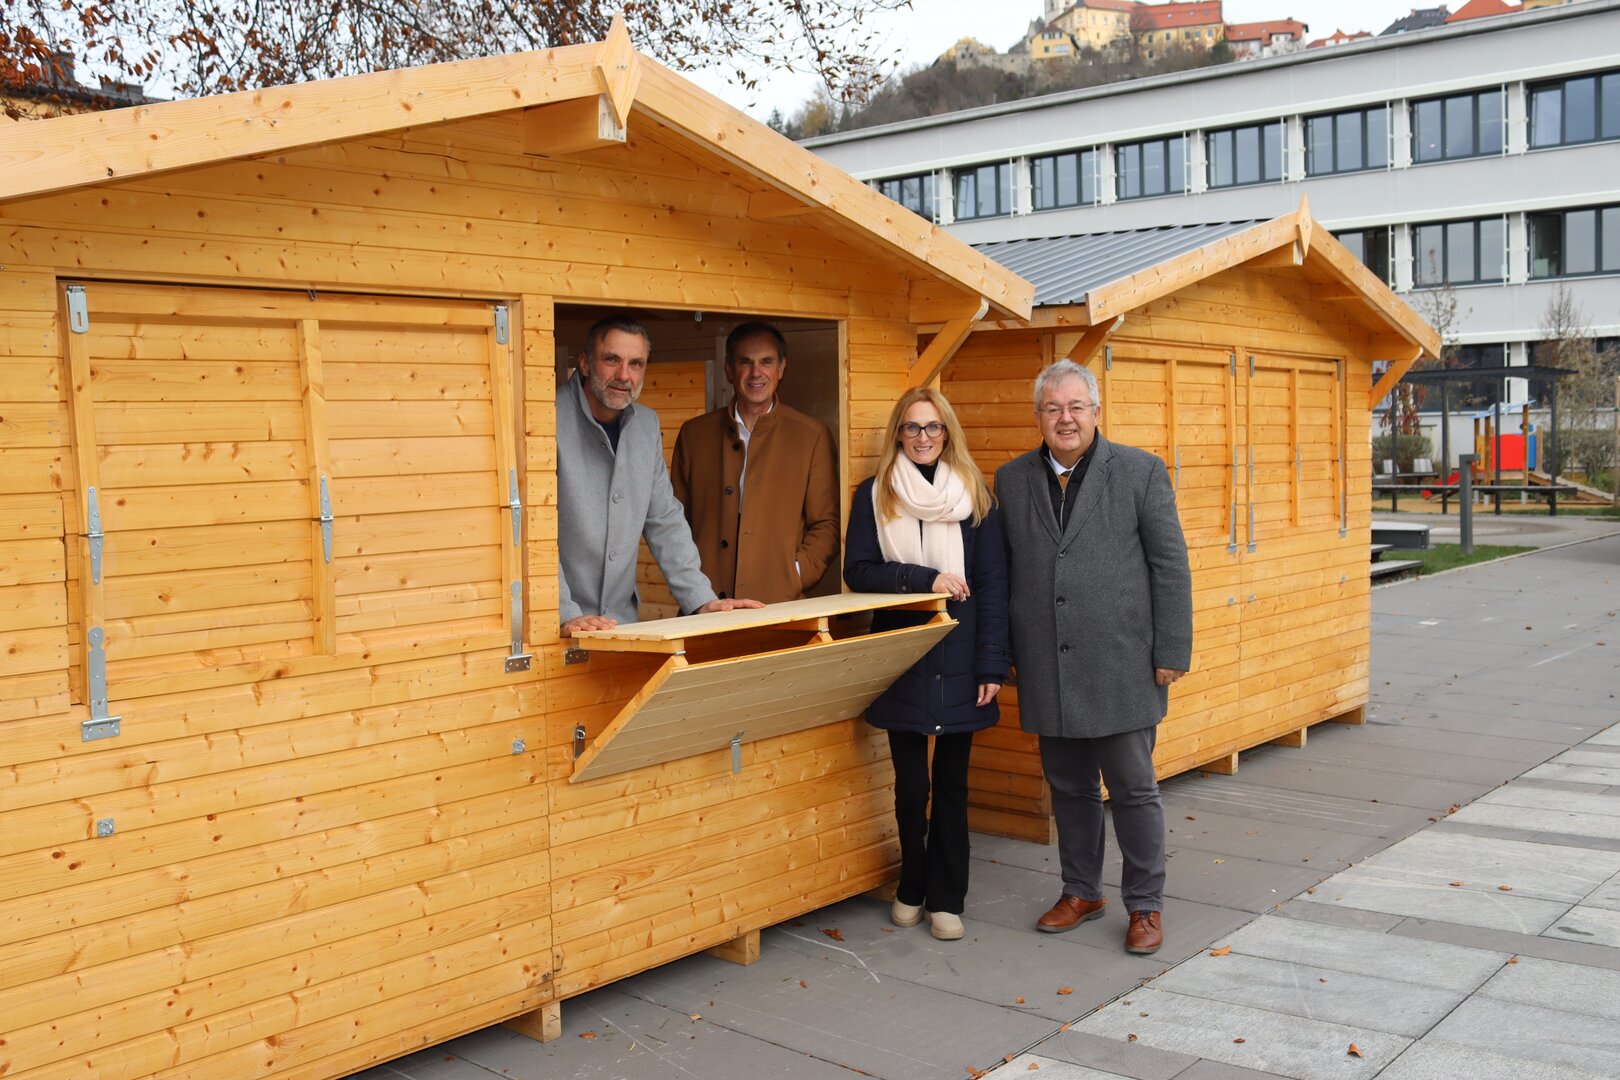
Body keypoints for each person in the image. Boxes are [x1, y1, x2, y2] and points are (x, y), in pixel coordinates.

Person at [994, 359, 1192, 956]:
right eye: (1053, 408)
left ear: (1097, 412)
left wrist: (1171, 650)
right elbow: (1002, 574)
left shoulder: (1139, 472)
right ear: (1038, 417)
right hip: (1048, 666)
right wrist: (1004, 651)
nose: (1065, 418)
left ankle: (1146, 906)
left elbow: (1170, 565)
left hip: (1124, 663)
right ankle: (1081, 891)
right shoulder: (1010, 480)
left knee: (1132, 790)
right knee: (1069, 789)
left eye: (1077, 406)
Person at [844, 387, 1010, 942]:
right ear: (899, 433)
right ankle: (910, 884)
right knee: (912, 786)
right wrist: (922, 579)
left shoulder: (975, 499)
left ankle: (946, 898)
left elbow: (990, 585)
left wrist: (992, 665)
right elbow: (859, 571)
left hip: (962, 654)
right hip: (901, 654)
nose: (923, 437)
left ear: (948, 433)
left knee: (953, 786)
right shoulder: (873, 495)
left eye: (933, 428)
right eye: (913, 427)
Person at [556, 315, 762, 635]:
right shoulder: (545, 418)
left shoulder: (646, 425)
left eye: (636, 363)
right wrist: (562, 612)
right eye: (612, 360)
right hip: (555, 627)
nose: (624, 375)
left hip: (620, 624)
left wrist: (701, 600)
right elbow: (528, 535)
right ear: (584, 364)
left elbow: (664, 519)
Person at [672, 322, 839, 604]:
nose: (756, 373)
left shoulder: (811, 435)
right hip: (706, 604)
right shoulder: (694, 434)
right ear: (728, 369)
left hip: (777, 604)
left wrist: (795, 574)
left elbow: (826, 523)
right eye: (745, 362)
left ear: (782, 368)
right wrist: (692, 585)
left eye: (766, 362)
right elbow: (674, 520)